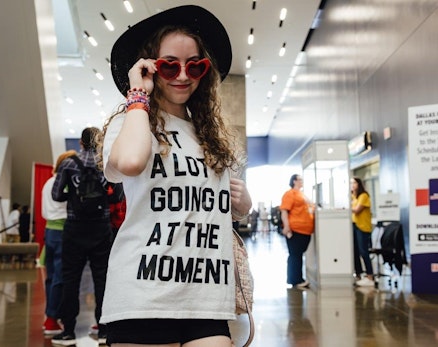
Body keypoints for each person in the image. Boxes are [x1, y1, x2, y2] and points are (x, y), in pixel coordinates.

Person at [98, 5, 252, 346]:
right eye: (169, 65)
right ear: (150, 66)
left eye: (194, 65)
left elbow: (215, 203)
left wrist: (243, 204)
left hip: (207, 295)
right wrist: (138, 95)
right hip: (144, 294)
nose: (183, 75)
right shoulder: (131, 121)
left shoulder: (211, 133)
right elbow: (132, 163)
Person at [51, 128, 112, 345]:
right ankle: (104, 329)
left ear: (81, 142)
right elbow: (118, 196)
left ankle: (68, 330)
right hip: (101, 228)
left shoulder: (69, 164)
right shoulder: (105, 163)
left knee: (71, 279)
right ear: (99, 142)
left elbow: (56, 195)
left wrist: (75, 195)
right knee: (102, 279)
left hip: (75, 227)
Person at [41, 150, 76, 335]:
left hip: (49, 231)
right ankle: (52, 319)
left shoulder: (47, 182)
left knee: (51, 276)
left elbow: (43, 212)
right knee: (60, 278)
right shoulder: (66, 182)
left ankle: (50, 317)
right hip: (63, 230)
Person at [280, 174, 314, 288]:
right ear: (294, 181)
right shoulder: (290, 194)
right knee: (295, 255)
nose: (302, 182)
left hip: (306, 230)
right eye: (300, 180)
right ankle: (296, 280)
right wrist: (286, 226)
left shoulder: (302, 194)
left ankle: (297, 278)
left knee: (298, 254)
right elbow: (284, 211)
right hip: (295, 229)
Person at [351, 177, 374, 287]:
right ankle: (358, 274)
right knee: (355, 251)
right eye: (351, 183)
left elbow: (357, 210)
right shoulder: (353, 197)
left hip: (363, 227)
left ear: (359, 184)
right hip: (354, 226)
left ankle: (370, 276)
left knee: (363, 251)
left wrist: (346, 207)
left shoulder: (364, 196)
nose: (352, 185)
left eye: (354, 182)